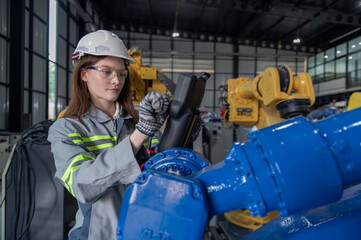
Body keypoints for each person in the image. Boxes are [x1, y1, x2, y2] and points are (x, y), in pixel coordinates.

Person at [48, 29, 170, 240]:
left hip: (147, 231)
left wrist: (183, 128)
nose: (116, 80)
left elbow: (166, 167)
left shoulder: (139, 121)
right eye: (106, 71)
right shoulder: (66, 128)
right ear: (84, 74)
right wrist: (138, 136)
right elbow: (83, 185)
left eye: (121, 73)